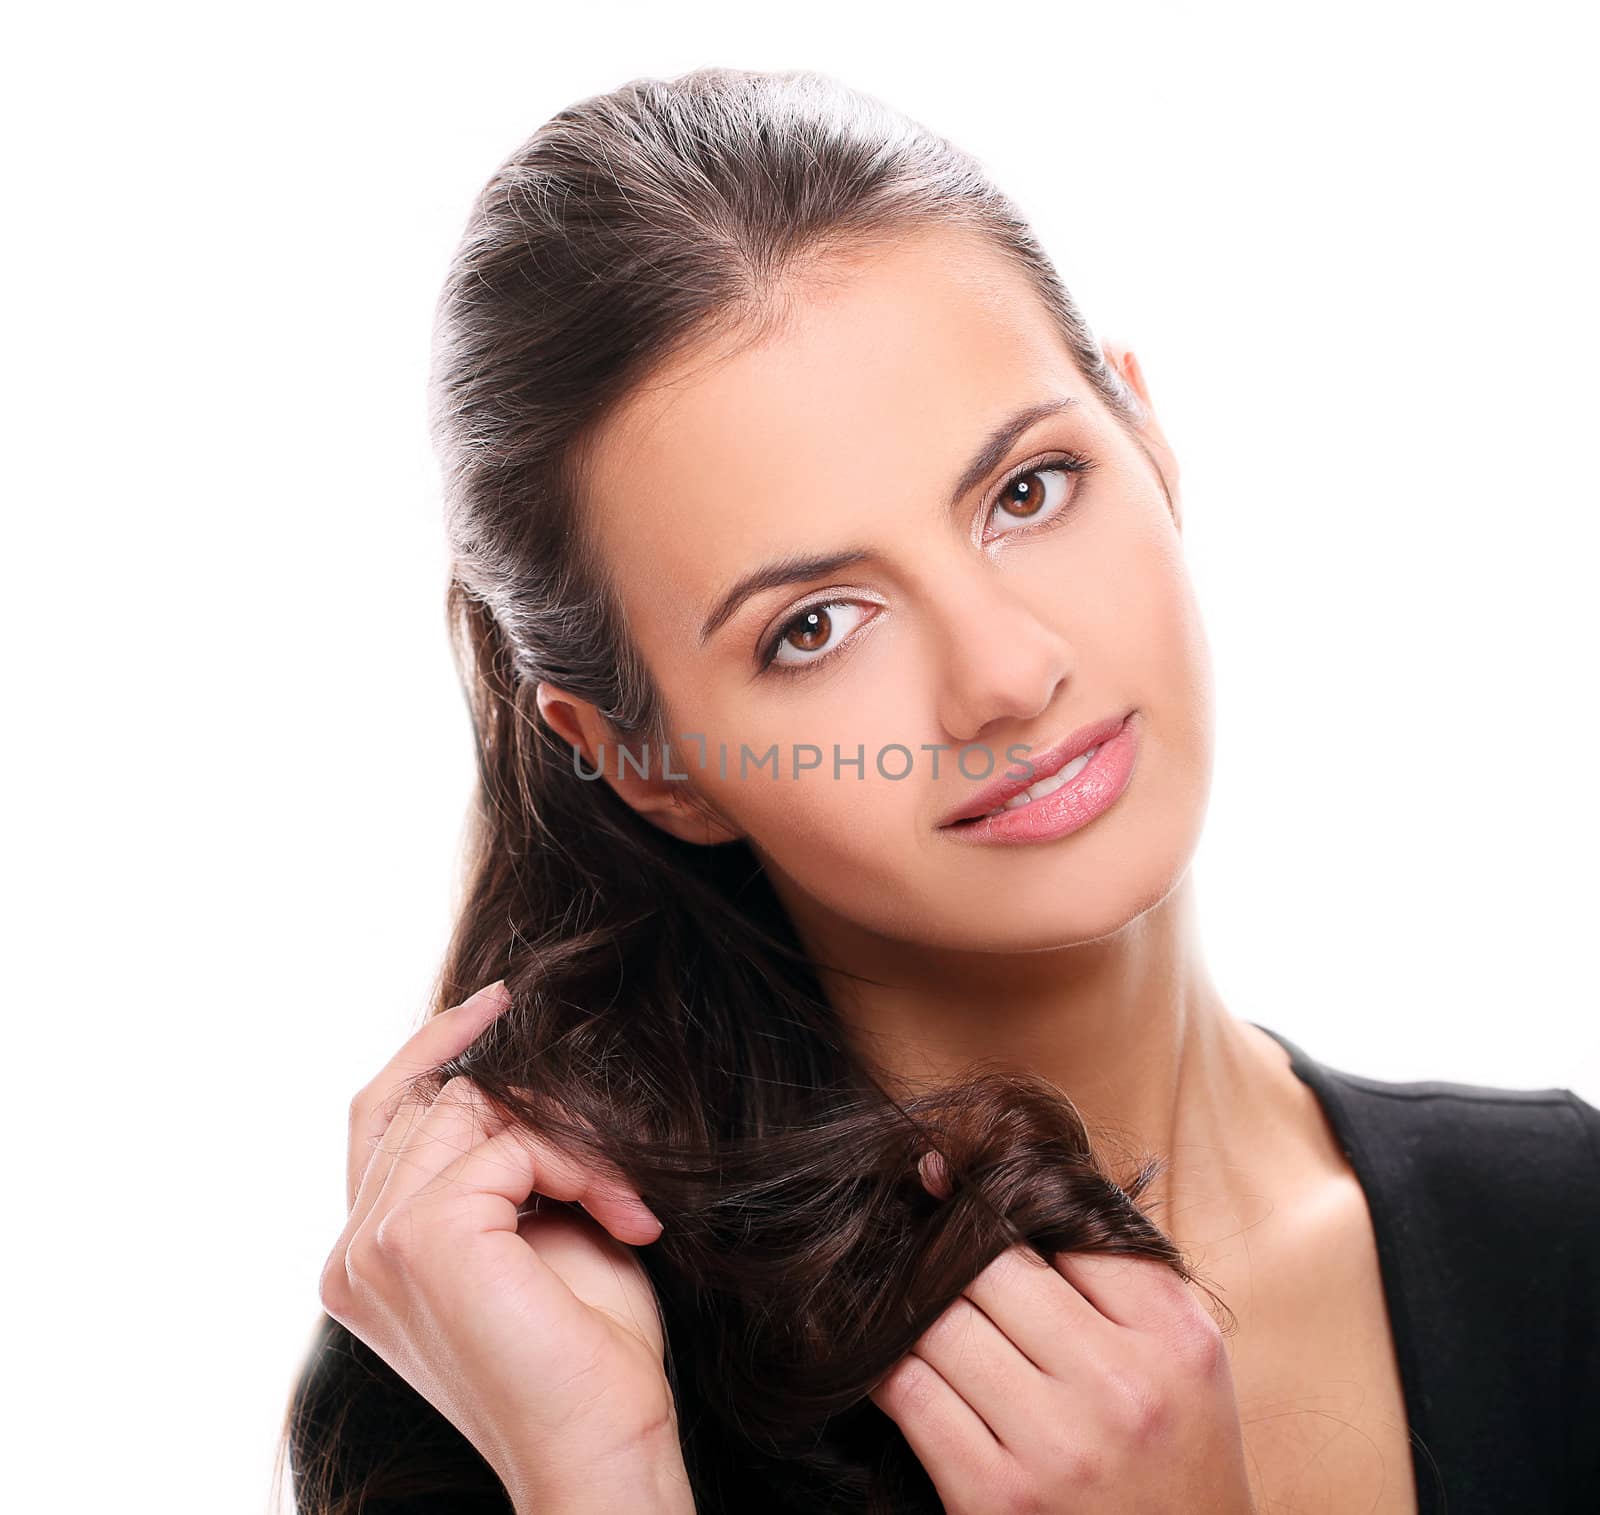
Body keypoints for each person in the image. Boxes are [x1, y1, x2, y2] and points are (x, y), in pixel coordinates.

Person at [280, 66, 1599, 1515]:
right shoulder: (529, 1375)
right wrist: (603, 1480)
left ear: (1147, 440)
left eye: (1025, 492)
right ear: (639, 757)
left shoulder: (1559, 1233)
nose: (1004, 677)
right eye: (814, 627)